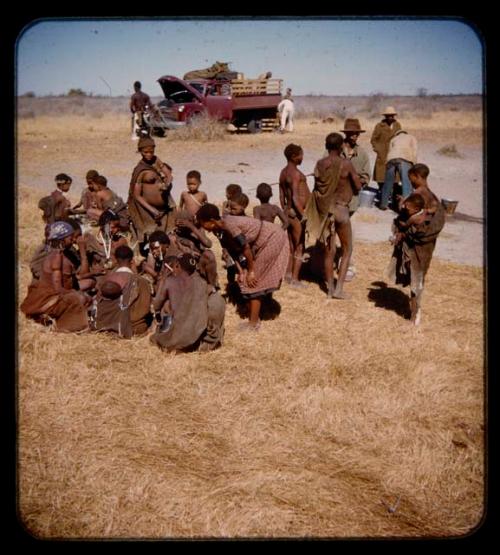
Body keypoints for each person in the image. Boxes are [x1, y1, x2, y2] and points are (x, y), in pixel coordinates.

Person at [196, 203, 289, 330]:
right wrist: (240, 271)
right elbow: (232, 250)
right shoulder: (219, 231)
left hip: (272, 238)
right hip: (260, 243)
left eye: (202, 223)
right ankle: (263, 308)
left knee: (254, 280)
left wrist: (250, 271)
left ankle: (254, 323)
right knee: (246, 278)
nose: (203, 228)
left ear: (211, 221)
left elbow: (245, 248)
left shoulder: (229, 225)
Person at [304, 132, 362, 299]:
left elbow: (318, 188)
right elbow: (358, 187)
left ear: (326, 146)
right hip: (342, 210)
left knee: (329, 251)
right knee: (346, 249)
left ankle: (329, 288)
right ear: (341, 146)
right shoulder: (347, 164)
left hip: (327, 212)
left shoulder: (320, 164)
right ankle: (339, 289)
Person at [386, 190, 445, 326]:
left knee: (416, 283)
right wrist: (403, 202)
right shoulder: (421, 211)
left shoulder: (416, 219)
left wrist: (400, 233)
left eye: (409, 207)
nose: (406, 208)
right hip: (411, 252)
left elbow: (406, 227)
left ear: (417, 209)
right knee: (414, 281)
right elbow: (429, 207)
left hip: (418, 255)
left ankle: (415, 314)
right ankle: (414, 311)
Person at [20, 221, 90, 332]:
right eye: (70, 237)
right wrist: (74, 293)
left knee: (84, 294)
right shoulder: (56, 257)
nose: (73, 239)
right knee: (79, 298)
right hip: (49, 297)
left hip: (55, 293)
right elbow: (57, 288)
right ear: (62, 239)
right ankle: (66, 327)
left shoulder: (64, 254)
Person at [150, 253, 225, 353]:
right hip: (198, 333)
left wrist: (163, 280)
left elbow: (156, 305)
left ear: (177, 266)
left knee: (167, 305)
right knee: (216, 300)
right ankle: (208, 341)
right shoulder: (202, 282)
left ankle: (173, 337)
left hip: (179, 337)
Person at [91, 245, 152, 337]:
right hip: (129, 327)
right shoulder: (141, 281)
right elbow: (145, 308)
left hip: (103, 326)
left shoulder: (106, 279)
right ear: (132, 260)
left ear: (115, 260)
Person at [128, 136, 177, 249]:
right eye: (146, 152)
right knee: (151, 236)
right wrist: (152, 210)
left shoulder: (156, 160)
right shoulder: (139, 170)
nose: (149, 154)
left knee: (167, 235)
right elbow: (136, 195)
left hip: (164, 207)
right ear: (140, 151)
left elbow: (168, 175)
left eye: (151, 151)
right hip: (149, 211)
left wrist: (167, 184)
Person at [339, 118, 371, 282]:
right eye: (352, 133)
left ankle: (348, 266)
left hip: (353, 202)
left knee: (349, 237)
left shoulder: (363, 154)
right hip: (335, 202)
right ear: (346, 134)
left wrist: (355, 179)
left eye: (357, 133)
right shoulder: (335, 150)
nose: (354, 136)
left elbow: (366, 177)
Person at [279, 143, 310, 286]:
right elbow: (296, 197)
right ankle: (295, 279)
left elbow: (281, 195)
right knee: (299, 246)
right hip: (297, 215)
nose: (302, 157)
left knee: (291, 244)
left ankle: (288, 274)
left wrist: (284, 210)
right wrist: (303, 215)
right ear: (293, 157)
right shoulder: (296, 174)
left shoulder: (283, 172)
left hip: (288, 212)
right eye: (301, 155)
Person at [379, 129, 418, 211]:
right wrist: (413, 164)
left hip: (391, 159)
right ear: (405, 133)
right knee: (406, 183)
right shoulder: (411, 137)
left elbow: (389, 151)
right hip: (404, 158)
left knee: (388, 183)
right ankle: (406, 207)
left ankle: (383, 204)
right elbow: (414, 151)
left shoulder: (393, 139)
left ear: (397, 134)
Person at [84, 209, 129, 274]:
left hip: (116, 274)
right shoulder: (91, 239)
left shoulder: (121, 241)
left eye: (118, 227)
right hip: (98, 275)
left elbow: (129, 260)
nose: (116, 230)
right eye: (113, 227)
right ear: (103, 225)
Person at [370, 106, 402, 198]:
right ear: (385, 116)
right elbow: (373, 140)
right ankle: (382, 192)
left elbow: (400, 137)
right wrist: (378, 149)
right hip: (382, 153)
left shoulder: (397, 125)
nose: (390, 117)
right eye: (388, 115)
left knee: (394, 175)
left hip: (394, 152)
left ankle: (392, 194)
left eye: (392, 115)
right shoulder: (379, 126)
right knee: (381, 176)